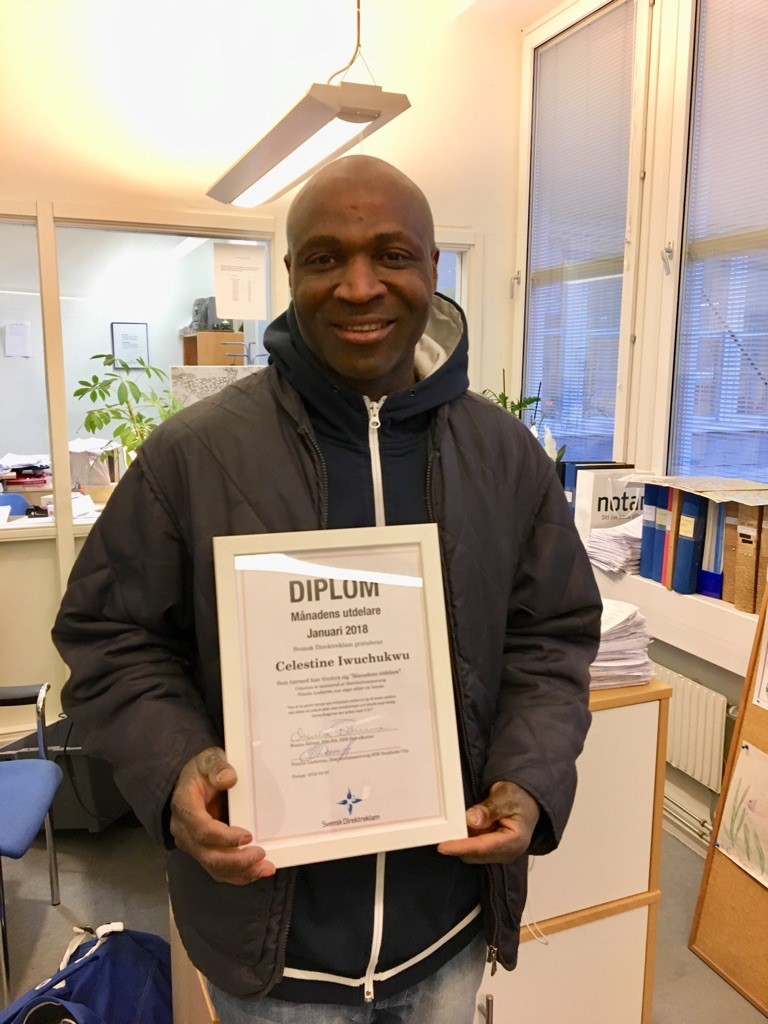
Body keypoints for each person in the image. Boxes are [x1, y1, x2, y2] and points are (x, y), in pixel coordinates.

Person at [52, 155, 602, 1024]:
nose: (358, 285)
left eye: (392, 254)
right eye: (324, 258)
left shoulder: (506, 458)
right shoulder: (193, 455)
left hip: (447, 930)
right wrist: (175, 766)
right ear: (290, 273)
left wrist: (530, 777)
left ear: (432, 267)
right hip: (275, 952)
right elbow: (111, 637)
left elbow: (552, 637)